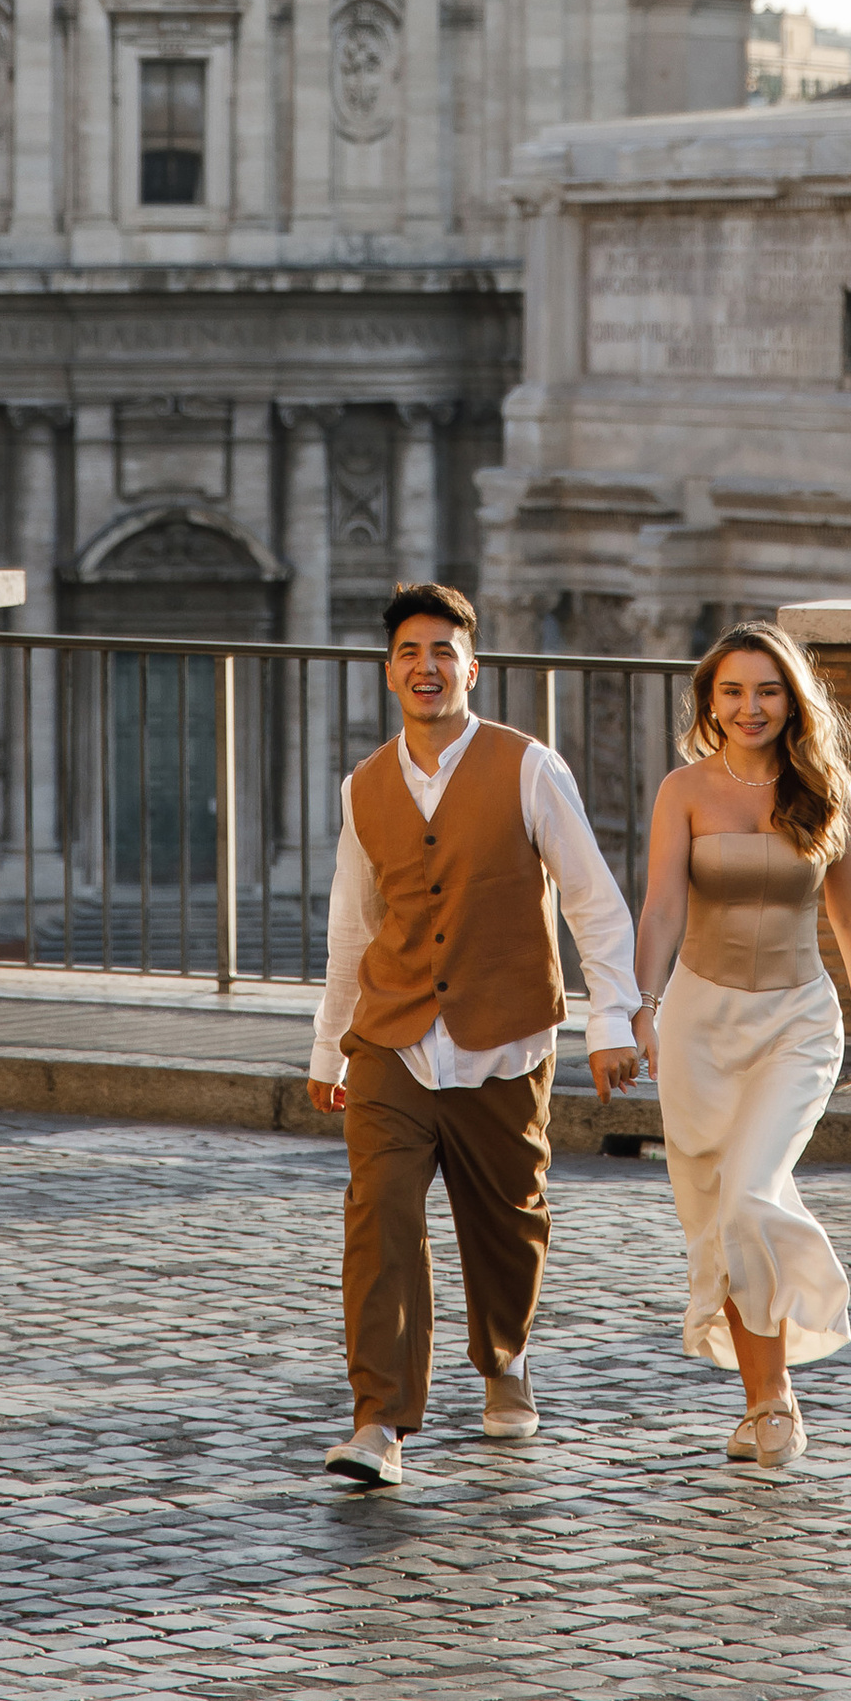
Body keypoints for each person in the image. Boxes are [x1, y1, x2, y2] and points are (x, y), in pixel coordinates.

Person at [308, 581, 645, 1489]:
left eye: (443, 652)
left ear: (472, 667)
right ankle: (380, 1422)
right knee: (379, 1215)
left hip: (504, 1040)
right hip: (391, 1041)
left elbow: (594, 903)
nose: (427, 667)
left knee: (508, 1223)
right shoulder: (363, 786)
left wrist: (612, 1019)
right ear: (389, 672)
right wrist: (329, 1046)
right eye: (410, 653)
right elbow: (352, 926)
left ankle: (505, 1356)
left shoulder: (530, 768)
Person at [634, 621, 851, 1477]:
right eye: (734, 691)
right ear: (710, 699)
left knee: (749, 1198)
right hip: (700, 1024)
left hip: (797, 1023)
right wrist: (642, 1003)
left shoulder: (824, 785)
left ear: (793, 700)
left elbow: (849, 910)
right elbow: (662, 907)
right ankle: (761, 1406)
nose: (751, 707)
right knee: (719, 1217)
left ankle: (778, 1401)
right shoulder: (683, 791)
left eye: (769, 690)